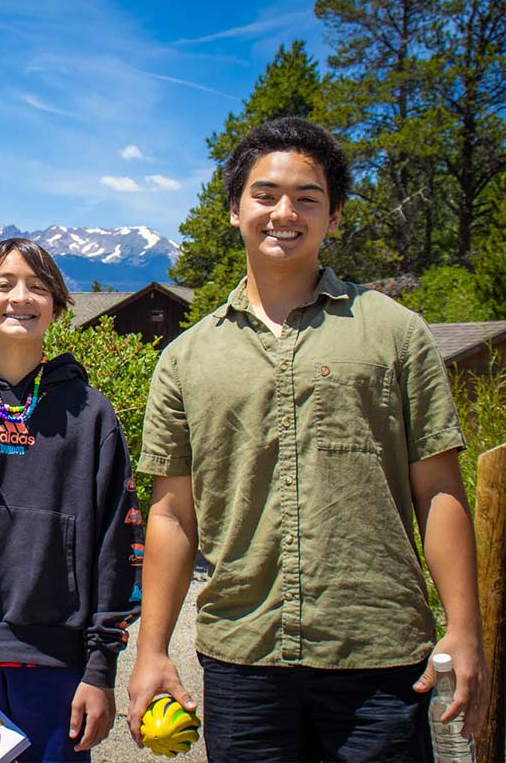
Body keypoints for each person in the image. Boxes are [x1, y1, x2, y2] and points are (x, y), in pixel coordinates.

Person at [127, 117, 487, 762]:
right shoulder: (185, 357)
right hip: (243, 656)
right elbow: (171, 515)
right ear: (235, 210)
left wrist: (465, 630)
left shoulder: (397, 333)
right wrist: (151, 651)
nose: (284, 212)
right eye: (264, 195)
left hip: (379, 652)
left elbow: (438, 490)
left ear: (335, 216)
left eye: (307, 197)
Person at [0, 238, 144, 763]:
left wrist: (100, 669)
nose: (21, 297)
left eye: (38, 287)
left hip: (61, 669)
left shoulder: (92, 416)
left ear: (57, 306)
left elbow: (116, 546)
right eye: (4, 285)